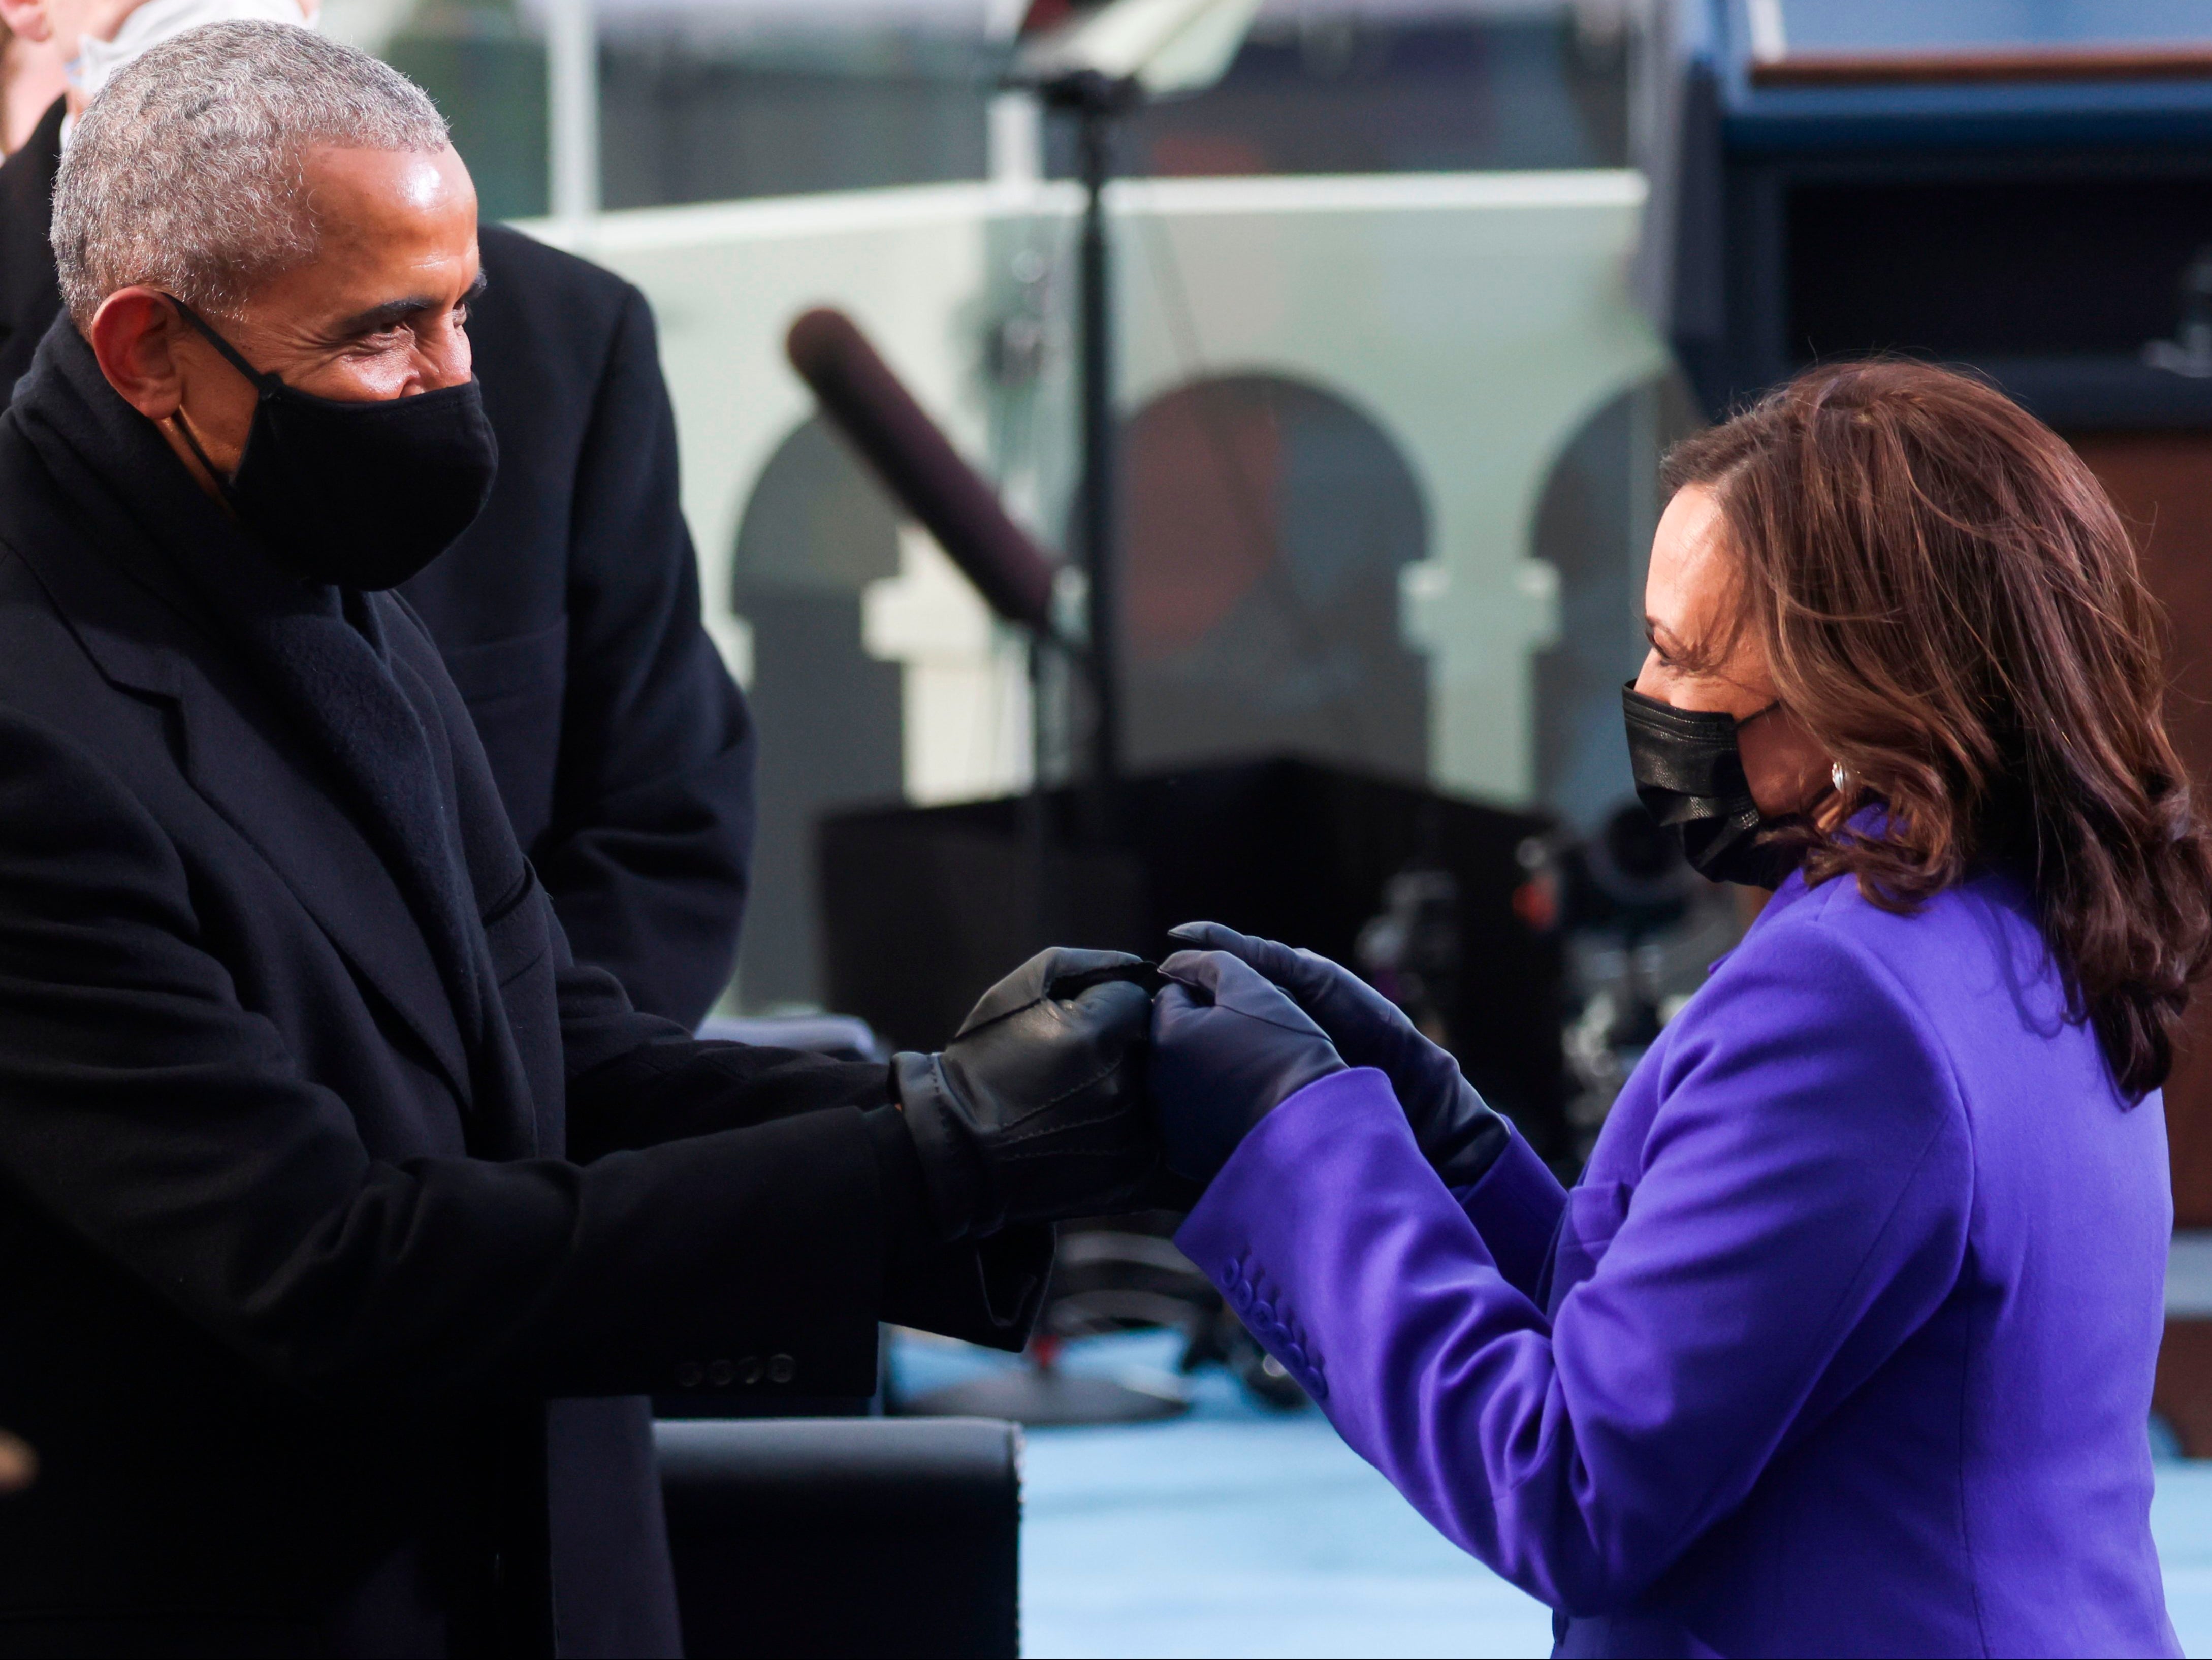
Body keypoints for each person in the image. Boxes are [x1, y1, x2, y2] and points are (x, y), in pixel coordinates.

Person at [0, 23, 1162, 1654]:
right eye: (384, 336)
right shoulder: (31, 725)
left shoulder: (282, 548)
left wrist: (988, 1101)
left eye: (460, 310)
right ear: (144, 349)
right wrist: (925, 1157)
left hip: (549, 1555)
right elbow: (329, 1262)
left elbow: (547, 1046)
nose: (457, 387)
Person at [1149, 360, 2205, 1656]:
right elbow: (1729, 1331)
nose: (1648, 700)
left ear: (1860, 686)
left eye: (1682, 654)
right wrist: (1444, 1138)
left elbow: (1574, 1485)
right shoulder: (2026, 911)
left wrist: (1288, 1144)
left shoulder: (1852, 996)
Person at [0, 0, 755, 1028]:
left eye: (453, 319)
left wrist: (543, 1117)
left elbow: (662, 824)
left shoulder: (562, 334)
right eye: (378, 338)